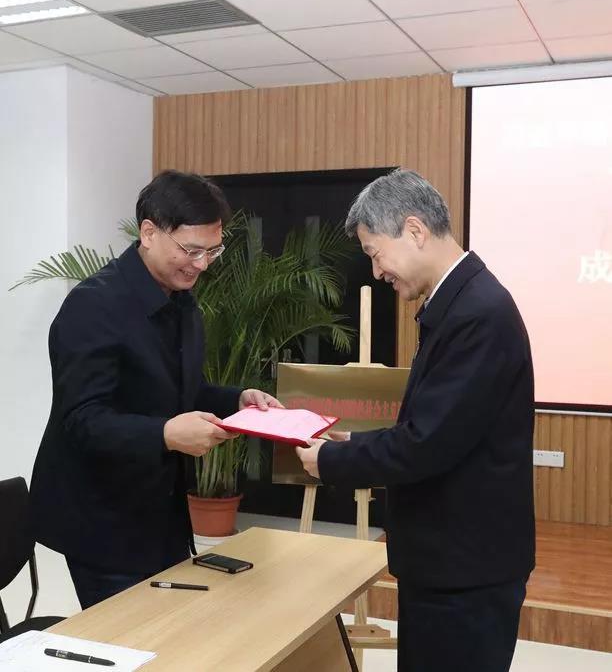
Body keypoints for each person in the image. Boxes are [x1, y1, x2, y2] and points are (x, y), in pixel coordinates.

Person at [296, 169, 535, 672]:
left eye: (374, 252)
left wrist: (333, 460)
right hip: (450, 561)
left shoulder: (477, 314)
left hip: (464, 570)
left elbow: (426, 444)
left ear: (414, 230)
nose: (376, 272)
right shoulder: (461, 302)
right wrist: (353, 442)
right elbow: (437, 427)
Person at [30, 170, 281, 610]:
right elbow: (83, 420)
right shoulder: (93, 305)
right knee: (132, 636)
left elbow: (179, 390)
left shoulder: (181, 300)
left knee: (173, 625)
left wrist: (236, 400)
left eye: (212, 251)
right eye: (191, 250)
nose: (202, 264)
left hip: (159, 510)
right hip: (101, 518)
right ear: (148, 233)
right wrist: (167, 434)